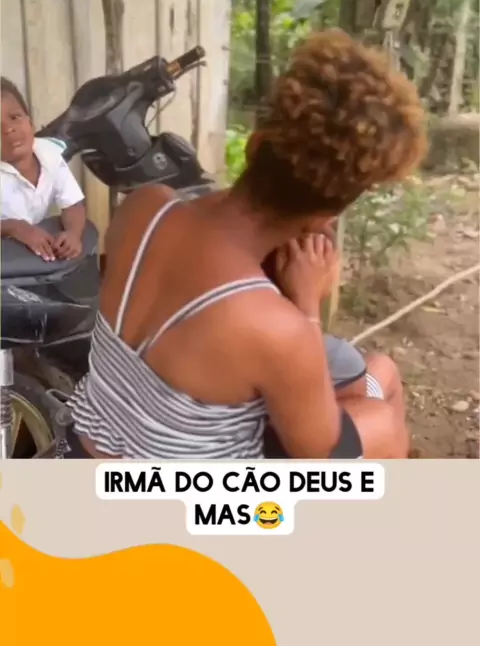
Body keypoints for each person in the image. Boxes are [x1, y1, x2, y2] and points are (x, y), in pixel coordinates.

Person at [65, 29, 427, 460]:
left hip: (89, 444)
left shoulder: (145, 207)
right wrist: (307, 306)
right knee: (382, 424)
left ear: (255, 146)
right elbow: (318, 455)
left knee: (382, 372)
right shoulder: (275, 328)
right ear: (325, 217)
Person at [0, 77, 86, 261]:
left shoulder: (49, 154)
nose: (8, 130)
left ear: (30, 123)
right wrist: (15, 227)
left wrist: (73, 234)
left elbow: (73, 204)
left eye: (14, 117)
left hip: (34, 257)